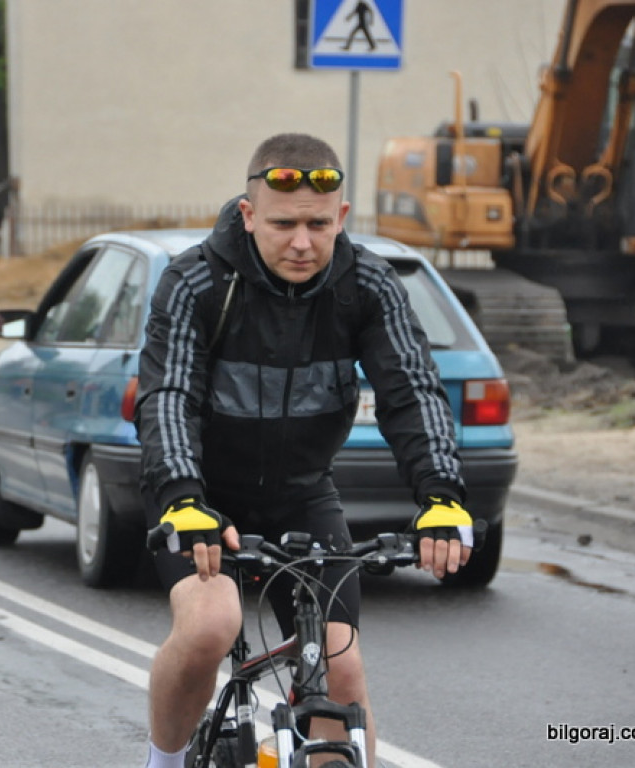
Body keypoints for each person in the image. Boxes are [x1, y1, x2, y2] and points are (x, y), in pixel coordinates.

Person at [135, 132, 474, 768]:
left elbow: (412, 391)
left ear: (340, 217)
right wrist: (183, 498)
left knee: (340, 674)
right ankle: (164, 761)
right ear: (248, 214)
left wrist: (441, 498)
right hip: (201, 498)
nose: (302, 242)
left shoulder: (368, 285)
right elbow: (167, 396)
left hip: (303, 494)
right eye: (284, 223)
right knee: (209, 627)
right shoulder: (195, 282)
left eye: (318, 225)